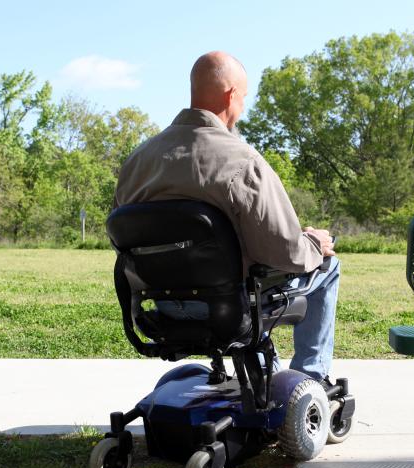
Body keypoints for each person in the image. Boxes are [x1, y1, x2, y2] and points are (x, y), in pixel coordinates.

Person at [114, 51, 339, 383]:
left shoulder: (137, 162)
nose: (242, 107)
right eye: (244, 98)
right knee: (325, 266)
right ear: (231, 95)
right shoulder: (243, 162)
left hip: (159, 307)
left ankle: (265, 371)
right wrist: (314, 243)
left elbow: (125, 243)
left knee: (251, 277)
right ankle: (309, 380)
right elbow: (285, 252)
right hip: (226, 309)